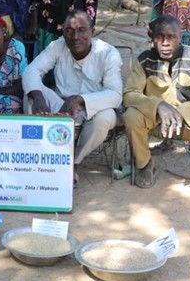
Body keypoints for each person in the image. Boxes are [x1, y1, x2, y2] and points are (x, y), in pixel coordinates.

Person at [123, 15, 190, 202]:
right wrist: (159, 105)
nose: (165, 43)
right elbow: (129, 94)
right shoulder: (144, 60)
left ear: (180, 37)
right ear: (152, 38)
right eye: (160, 37)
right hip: (158, 123)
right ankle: (144, 164)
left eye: (171, 37)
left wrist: (183, 111)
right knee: (131, 115)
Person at [22, 10, 122, 182]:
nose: (75, 36)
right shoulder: (58, 46)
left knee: (105, 117)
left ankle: (72, 163)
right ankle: (41, 156)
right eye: (69, 31)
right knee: (30, 95)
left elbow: (115, 95)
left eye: (82, 30)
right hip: (61, 106)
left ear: (93, 30)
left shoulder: (108, 53)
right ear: (63, 33)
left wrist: (80, 99)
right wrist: (38, 97)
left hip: (94, 109)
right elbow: (31, 70)